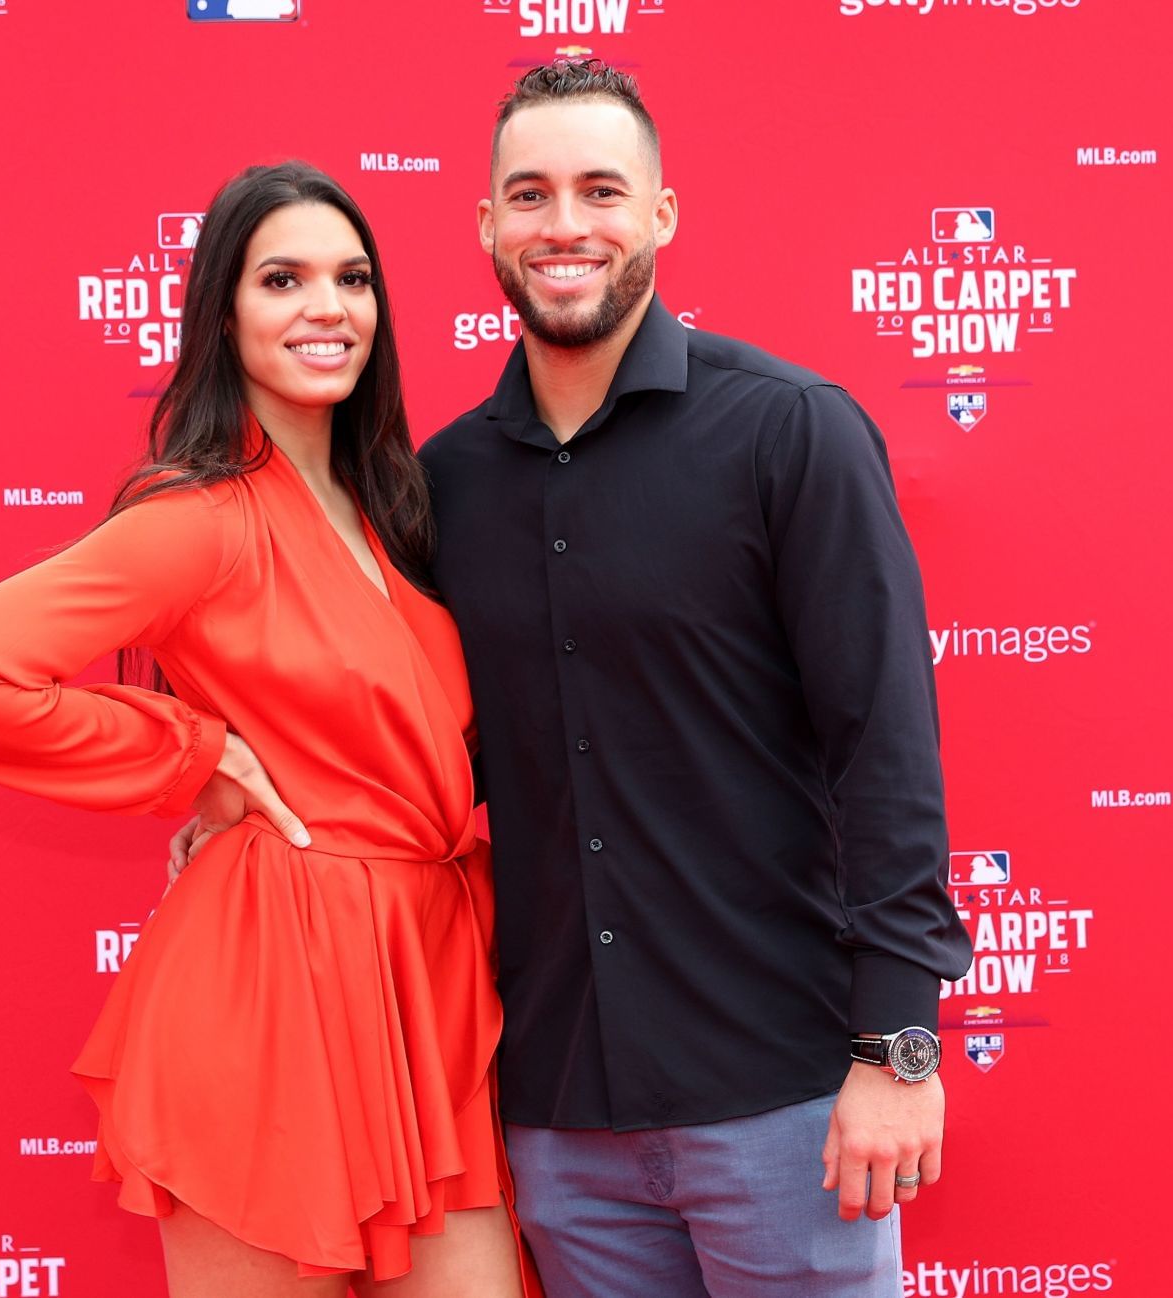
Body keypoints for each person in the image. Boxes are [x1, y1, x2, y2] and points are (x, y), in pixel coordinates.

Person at [0, 162, 526, 1298]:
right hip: (275, 986)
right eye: (283, 278)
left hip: (422, 984)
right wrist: (192, 755)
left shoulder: (397, 511)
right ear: (222, 315)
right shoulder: (200, 518)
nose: (328, 306)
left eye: (352, 277)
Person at [415, 61, 973, 1297]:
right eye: (531, 194)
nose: (566, 225)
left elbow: (885, 749)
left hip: (787, 1101)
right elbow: (397, 742)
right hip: (561, 1115)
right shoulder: (441, 486)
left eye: (601, 190)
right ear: (488, 227)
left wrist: (900, 1051)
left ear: (661, 215)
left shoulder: (791, 431)